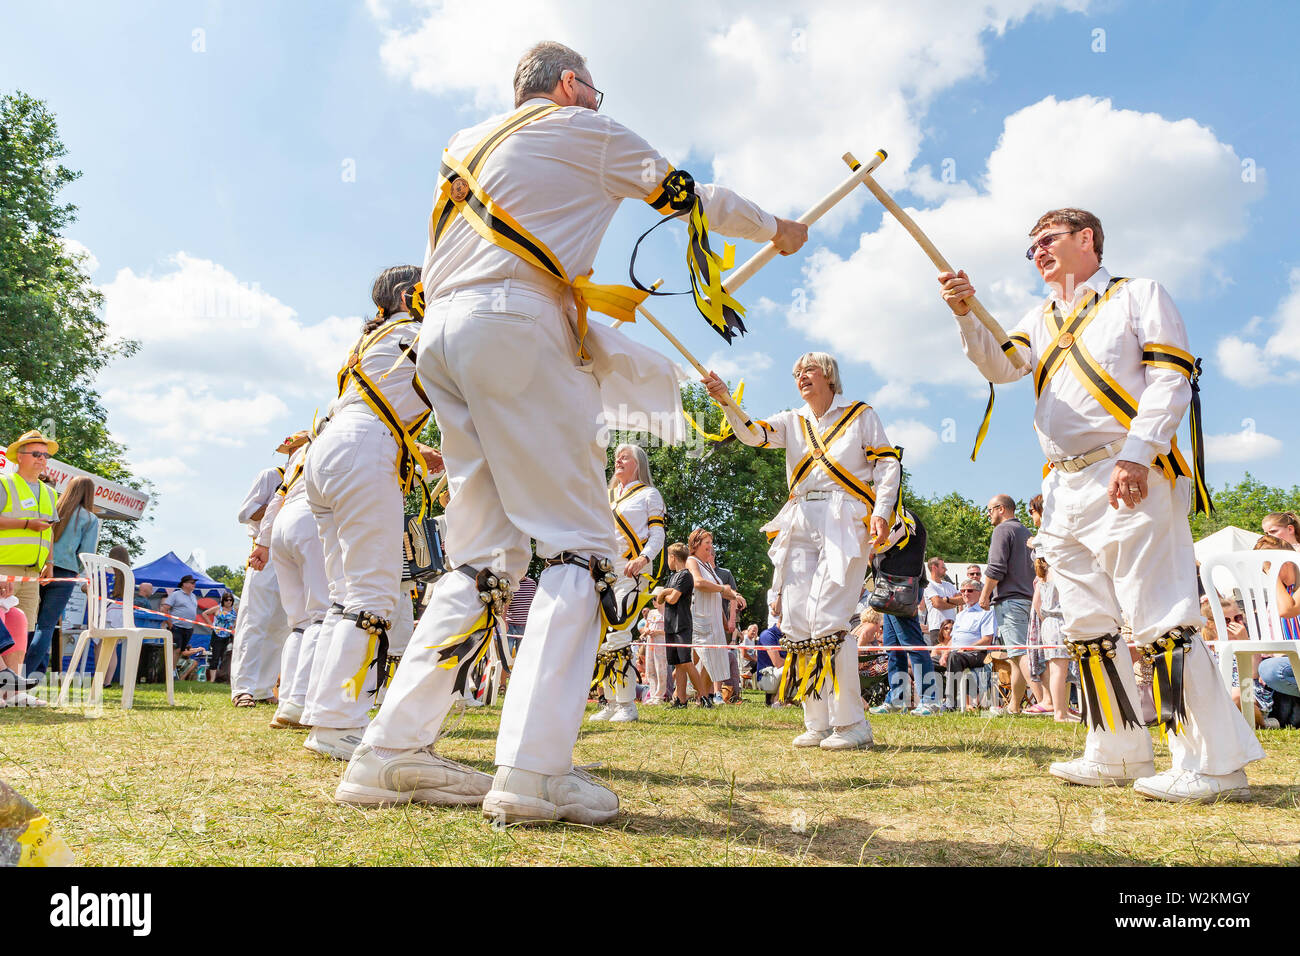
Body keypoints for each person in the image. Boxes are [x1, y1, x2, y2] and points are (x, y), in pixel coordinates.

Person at [337, 41, 806, 825]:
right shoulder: (585, 128)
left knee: (483, 559)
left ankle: (390, 752)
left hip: (444, 340)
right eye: (594, 87)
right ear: (567, 84)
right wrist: (776, 229)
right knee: (580, 549)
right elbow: (690, 195)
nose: (600, 99)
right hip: (514, 326)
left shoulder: (465, 147)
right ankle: (533, 770)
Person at [939, 207, 1263, 800]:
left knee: (1162, 617)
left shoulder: (1139, 295)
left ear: (1086, 239)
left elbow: (1171, 381)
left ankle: (1215, 764)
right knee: (1087, 625)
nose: (1037, 253)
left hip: (1128, 469)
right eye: (1029, 246)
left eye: (1047, 240)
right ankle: (1117, 750)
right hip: (1062, 487)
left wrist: (1138, 454)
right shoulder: (1038, 318)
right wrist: (966, 315)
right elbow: (1002, 365)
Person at [703, 351, 902, 751]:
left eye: (808, 370)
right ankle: (818, 721)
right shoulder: (791, 421)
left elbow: (887, 467)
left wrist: (883, 510)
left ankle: (852, 723)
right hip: (798, 516)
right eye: (796, 372)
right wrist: (726, 400)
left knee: (829, 617)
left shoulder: (861, 415)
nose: (800, 377)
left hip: (844, 516)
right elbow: (753, 433)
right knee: (795, 620)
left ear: (829, 375)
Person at [299, 267, 443, 762]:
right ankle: (339, 722)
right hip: (365, 450)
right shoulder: (418, 333)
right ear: (411, 296)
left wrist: (419, 450)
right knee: (373, 592)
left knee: (343, 594)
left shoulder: (378, 338)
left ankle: (325, 717)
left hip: (330, 451)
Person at [248, 430, 330, 730]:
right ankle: (299, 701)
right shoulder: (339, 441)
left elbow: (276, 500)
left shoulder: (298, 457)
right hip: (313, 516)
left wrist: (264, 542)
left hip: (284, 522)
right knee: (321, 615)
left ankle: (285, 703)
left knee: (298, 622)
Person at [589, 443, 666, 724]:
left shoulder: (649, 494)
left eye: (626, 457)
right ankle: (609, 701)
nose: (619, 460)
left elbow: (658, 534)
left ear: (638, 464)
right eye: (617, 456)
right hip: (603, 572)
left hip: (632, 570)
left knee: (619, 633)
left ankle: (626, 705)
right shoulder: (606, 496)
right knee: (601, 637)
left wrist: (644, 559)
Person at [229, 462, 292, 708]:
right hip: (265, 551)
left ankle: (264, 687)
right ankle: (243, 687)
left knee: (281, 625)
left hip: (292, 553)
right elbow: (245, 513)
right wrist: (286, 506)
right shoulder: (272, 475)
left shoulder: (310, 477)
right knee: (254, 620)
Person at [0, 431, 59, 678]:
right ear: (19, 457)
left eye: (44, 455)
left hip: (33, 572)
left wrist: (49, 562)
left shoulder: (49, 492)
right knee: (3, 630)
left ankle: (12, 688)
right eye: (35, 454)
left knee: (22, 630)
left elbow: (50, 531)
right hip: (5, 568)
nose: (41, 459)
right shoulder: (5, 484)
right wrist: (26, 524)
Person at [980, 494, 1043, 714]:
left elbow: (996, 567)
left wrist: (984, 594)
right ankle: (1014, 706)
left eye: (989, 510)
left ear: (1001, 509)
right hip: (1028, 599)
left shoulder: (1002, 530)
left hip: (1010, 600)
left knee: (1019, 654)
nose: (988, 514)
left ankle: (1046, 702)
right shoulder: (1026, 532)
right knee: (1018, 657)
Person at [29, 475, 98, 675]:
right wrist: (75, 570)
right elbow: (86, 554)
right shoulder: (90, 518)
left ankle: (26, 671)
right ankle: (26, 676)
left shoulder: (52, 509)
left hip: (38, 568)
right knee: (46, 626)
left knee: (28, 623)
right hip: (65, 573)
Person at [686, 528, 741, 705]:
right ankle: (697, 696)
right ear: (696, 544)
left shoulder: (708, 565)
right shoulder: (692, 561)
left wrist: (735, 596)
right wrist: (723, 589)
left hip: (715, 620)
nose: (710, 546)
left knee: (714, 663)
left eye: (711, 542)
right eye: (707, 542)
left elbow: (720, 592)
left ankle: (702, 697)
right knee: (701, 659)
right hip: (701, 618)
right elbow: (699, 583)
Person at [656, 542, 712, 707]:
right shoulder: (671, 577)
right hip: (670, 624)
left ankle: (703, 697)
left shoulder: (686, 575)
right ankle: (680, 699)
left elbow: (672, 599)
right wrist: (667, 593)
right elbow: (660, 599)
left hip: (682, 624)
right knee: (678, 663)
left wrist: (665, 593)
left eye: (668, 557)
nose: (668, 561)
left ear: (672, 557)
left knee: (686, 661)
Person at [946, 578, 998, 709]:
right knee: (928, 660)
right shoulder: (960, 615)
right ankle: (928, 702)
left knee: (954, 657)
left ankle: (950, 703)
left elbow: (987, 640)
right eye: (962, 591)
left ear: (979, 593)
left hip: (978, 654)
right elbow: (953, 638)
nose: (965, 593)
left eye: (969, 590)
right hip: (957, 653)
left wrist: (967, 648)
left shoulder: (987, 612)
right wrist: (944, 653)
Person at [201, 593, 238, 685]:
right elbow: (204, 613)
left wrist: (235, 627)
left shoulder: (235, 610)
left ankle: (224, 677)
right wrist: (211, 625)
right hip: (217, 635)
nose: (229, 602)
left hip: (229, 636)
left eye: (230, 600)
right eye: (226, 600)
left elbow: (238, 620)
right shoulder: (218, 608)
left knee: (226, 657)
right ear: (223, 601)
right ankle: (212, 680)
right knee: (215, 657)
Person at [161, 575, 200, 660]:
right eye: (192, 582)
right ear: (184, 584)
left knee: (182, 651)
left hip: (188, 628)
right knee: (176, 649)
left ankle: (173, 671)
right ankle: (169, 672)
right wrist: (170, 624)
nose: (194, 584)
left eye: (194, 583)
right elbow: (164, 609)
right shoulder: (175, 595)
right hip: (176, 627)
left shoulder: (193, 596)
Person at [922, 557, 959, 646]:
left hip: (953, 627)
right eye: (943, 567)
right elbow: (938, 603)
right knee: (938, 657)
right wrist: (954, 604)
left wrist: (947, 600)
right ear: (934, 567)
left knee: (952, 657)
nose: (946, 569)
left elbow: (962, 600)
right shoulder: (928, 584)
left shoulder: (949, 585)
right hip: (937, 628)